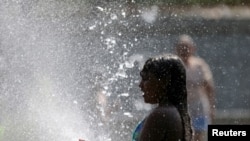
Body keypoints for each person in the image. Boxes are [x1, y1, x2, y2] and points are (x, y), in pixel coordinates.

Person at [79, 54, 193, 141]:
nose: (140, 85)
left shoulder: (161, 115)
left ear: (164, 82)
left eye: (146, 79)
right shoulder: (173, 112)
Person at [175, 34, 215, 141]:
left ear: (193, 48)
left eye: (187, 47)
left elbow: (209, 87)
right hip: (180, 106)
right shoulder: (173, 64)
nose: (184, 50)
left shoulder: (200, 65)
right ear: (176, 49)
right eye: (181, 47)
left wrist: (211, 107)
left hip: (197, 105)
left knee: (198, 133)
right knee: (181, 134)